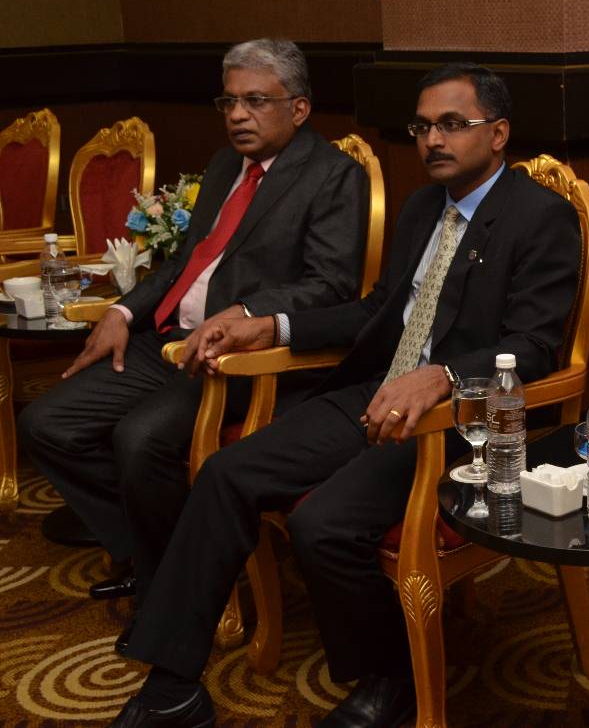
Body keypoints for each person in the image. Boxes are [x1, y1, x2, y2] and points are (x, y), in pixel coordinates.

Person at [108, 62, 582, 728]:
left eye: (452, 124)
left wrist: (444, 376)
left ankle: (390, 680)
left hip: (462, 423)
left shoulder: (541, 217)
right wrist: (270, 325)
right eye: (422, 127)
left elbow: (533, 347)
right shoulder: (422, 208)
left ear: (497, 133)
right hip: (375, 392)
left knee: (322, 523)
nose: (433, 140)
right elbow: (376, 311)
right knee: (225, 473)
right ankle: (173, 685)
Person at [19, 38, 368, 610]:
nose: (237, 115)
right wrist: (122, 311)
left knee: (140, 439)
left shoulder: (333, 175)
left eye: (256, 101)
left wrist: (247, 314)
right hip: (165, 341)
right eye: (228, 102)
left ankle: (170, 587)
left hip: (234, 357)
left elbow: (329, 285)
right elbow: (186, 261)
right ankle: (162, 553)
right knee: (46, 424)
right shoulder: (226, 164)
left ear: (299, 108)